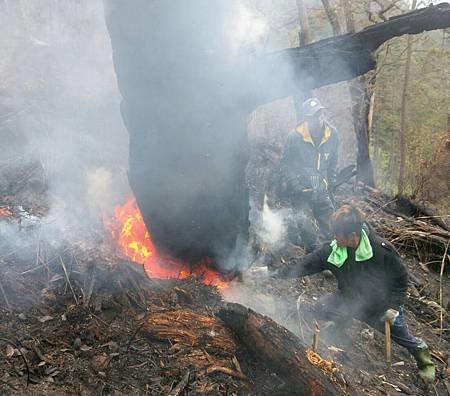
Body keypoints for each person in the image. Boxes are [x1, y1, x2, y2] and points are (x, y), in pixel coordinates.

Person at [273, 205, 435, 382]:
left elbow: (400, 280)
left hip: (381, 307)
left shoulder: (380, 250)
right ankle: (342, 321)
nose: (334, 237)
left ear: (352, 236)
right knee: (322, 306)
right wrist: (273, 273)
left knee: (403, 336)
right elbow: (305, 264)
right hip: (349, 299)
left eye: (338, 234)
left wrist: (393, 307)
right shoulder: (334, 251)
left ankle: (424, 358)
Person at [277, 97, 338, 251]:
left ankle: (338, 261)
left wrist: (331, 182)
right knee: (308, 232)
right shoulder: (295, 137)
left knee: (333, 228)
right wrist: (294, 184)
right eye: (313, 116)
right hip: (300, 191)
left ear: (323, 114)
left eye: (320, 114)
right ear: (306, 118)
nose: (318, 119)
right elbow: (285, 164)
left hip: (321, 189)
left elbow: (333, 160)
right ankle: (314, 262)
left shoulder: (332, 134)